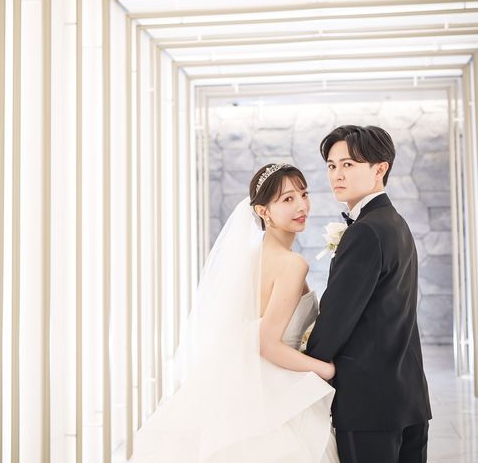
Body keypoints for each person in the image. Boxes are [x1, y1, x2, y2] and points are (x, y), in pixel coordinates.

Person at [130, 163, 339, 463]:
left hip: (239, 386)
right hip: (272, 388)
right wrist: (326, 370)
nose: (301, 206)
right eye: (287, 199)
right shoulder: (292, 264)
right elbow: (267, 344)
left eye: (303, 194)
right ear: (263, 211)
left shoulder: (248, 259)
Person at [306, 125, 432, 463]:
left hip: (368, 404)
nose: (337, 175)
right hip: (408, 397)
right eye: (331, 166)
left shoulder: (365, 231)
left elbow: (336, 318)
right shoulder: (396, 223)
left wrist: (306, 366)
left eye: (348, 164)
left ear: (380, 169)